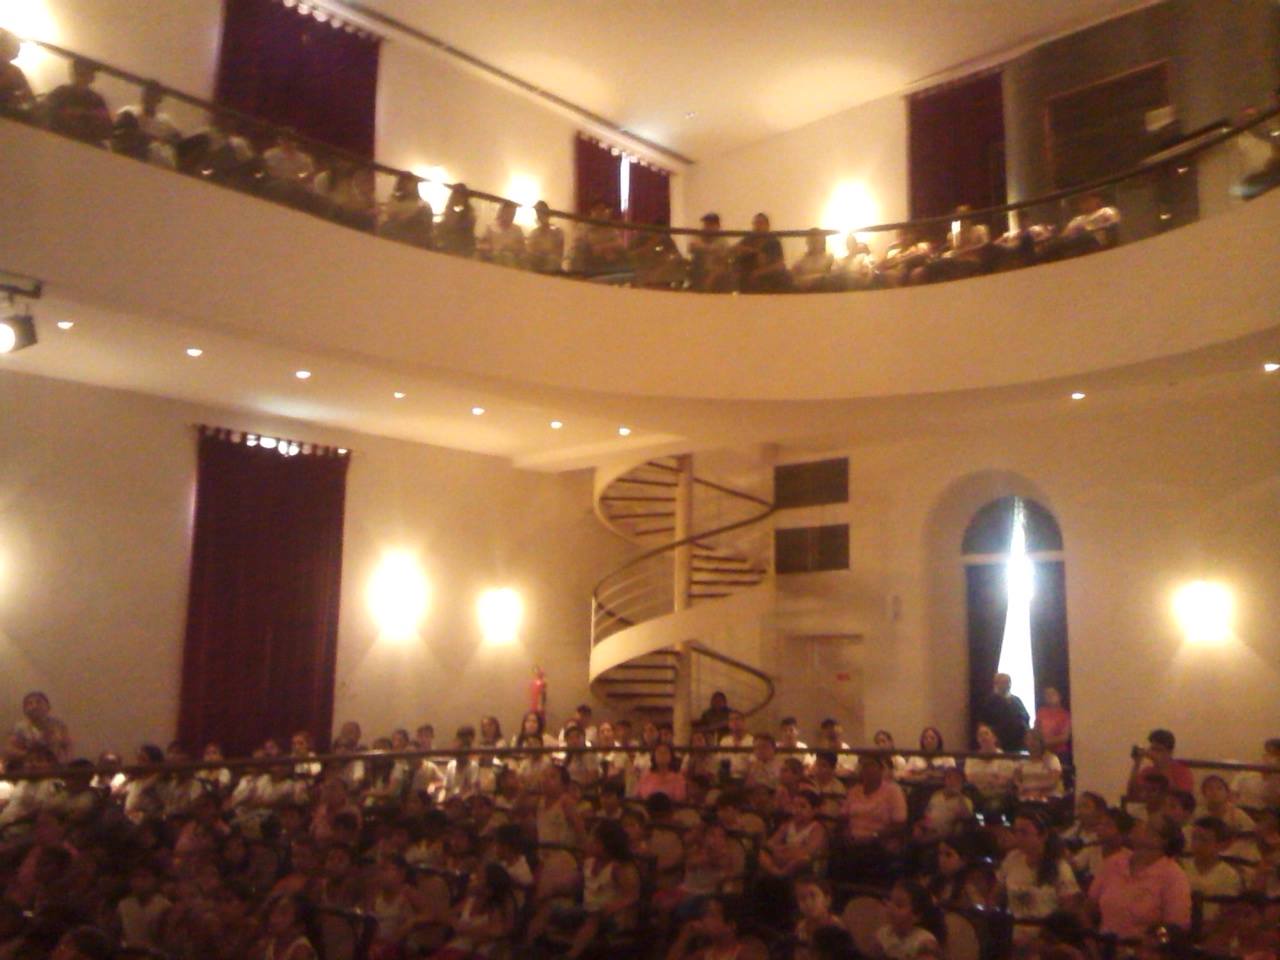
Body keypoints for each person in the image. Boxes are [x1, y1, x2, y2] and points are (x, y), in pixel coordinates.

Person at [1088, 817, 1191, 940]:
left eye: (1148, 827)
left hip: (1143, 948)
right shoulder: (1114, 862)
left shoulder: (1173, 876)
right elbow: (1091, 905)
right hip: (1104, 943)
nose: (1138, 826)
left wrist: (1153, 942)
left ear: (1161, 841)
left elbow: (1175, 927)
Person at [996, 810, 1081, 945]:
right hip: (1015, 934)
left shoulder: (1059, 867)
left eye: (1024, 833)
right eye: (1016, 832)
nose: (1018, 837)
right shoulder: (1012, 859)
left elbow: (1068, 909)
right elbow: (997, 893)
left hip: (1045, 939)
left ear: (1043, 835)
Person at [1183, 816, 1243, 921]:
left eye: (1204, 840)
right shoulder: (1181, 867)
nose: (1197, 844)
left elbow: (1227, 913)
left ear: (1220, 845)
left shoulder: (1229, 875)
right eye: (1194, 838)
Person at [42, 57, 112, 144]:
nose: (87, 75)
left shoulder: (96, 99)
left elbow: (106, 129)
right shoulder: (60, 93)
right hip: (59, 142)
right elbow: (45, 116)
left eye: (90, 72)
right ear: (75, 72)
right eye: (83, 72)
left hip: (86, 146)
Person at [760, 789, 826, 877]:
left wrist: (790, 852)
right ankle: (776, 872)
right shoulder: (787, 825)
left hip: (804, 862)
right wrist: (779, 849)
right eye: (795, 806)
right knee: (761, 854)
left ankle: (782, 874)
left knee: (801, 860)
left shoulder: (816, 828)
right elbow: (771, 843)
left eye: (803, 807)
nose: (797, 810)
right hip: (783, 856)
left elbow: (810, 850)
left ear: (814, 810)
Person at [873, 879, 945, 959]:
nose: (891, 907)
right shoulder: (882, 934)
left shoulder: (924, 941)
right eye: (890, 901)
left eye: (899, 905)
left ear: (917, 916)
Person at [965, 722, 1016, 819]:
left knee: (992, 808)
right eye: (980, 735)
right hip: (977, 795)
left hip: (998, 795)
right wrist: (991, 778)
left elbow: (1005, 780)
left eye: (986, 733)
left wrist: (981, 778)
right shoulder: (971, 758)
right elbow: (970, 779)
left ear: (994, 737)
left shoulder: (1005, 757)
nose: (983, 737)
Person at [733, 212, 792, 292]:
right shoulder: (749, 239)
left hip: (768, 277)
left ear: (767, 226)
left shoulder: (774, 242)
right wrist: (753, 251)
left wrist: (759, 272)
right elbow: (735, 248)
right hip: (747, 277)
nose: (757, 226)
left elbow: (780, 265)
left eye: (760, 223)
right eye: (755, 224)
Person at [8, 691, 72, 763]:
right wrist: (28, 755)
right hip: (30, 766)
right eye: (30, 703)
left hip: (56, 765)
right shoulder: (20, 728)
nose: (35, 706)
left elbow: (67, 745)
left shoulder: (58, 725)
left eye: (39, 702)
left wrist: (67, 762)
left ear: (48, 707)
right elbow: (11, 750)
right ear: (24, 710)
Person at [1128, 728, 1195, 798]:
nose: (1154, 753)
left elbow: (1182, 798)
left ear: (1170, 752)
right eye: (1152, 749)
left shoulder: (1182, 772)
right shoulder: (1147, 771)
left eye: (1159, 750)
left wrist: (1162, 766)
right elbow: (1131, 794)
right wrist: (1137, 763)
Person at [256, 892, 320, 960]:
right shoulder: (270, 943)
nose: (273, 917)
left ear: (299, 926)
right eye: (274, 911)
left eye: (283, 913)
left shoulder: (301, 950)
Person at [979, 672, 1031, 752]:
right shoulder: (990, 702)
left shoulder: (1017, 700)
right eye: (1004, 682)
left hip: (1019, 745)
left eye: (1009, 682)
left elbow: (1026, 718)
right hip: (1001, 745)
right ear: (996, 684)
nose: (1007, 685)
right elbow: (983, 725)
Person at [1015, 728, 1064, 803]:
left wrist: (1033, 788)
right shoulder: (1022, 762)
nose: (1031, 743)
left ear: (1040, 742)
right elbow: (1016, 779)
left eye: (1034, 740)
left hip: (1048, 797)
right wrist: (1020, 787)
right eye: (1029, 740)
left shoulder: (1051, 759)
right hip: (1027, 796)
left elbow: (1053, 781)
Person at [688, 213, 733, 292]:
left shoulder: (722, 239)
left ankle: (706, 290)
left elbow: (723, 254)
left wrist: (703, 248)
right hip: (699, 267)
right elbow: (691, 248)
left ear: (717, 226)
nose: (707, 227)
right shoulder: (698, 236)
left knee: (718, 270)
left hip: (715, 267)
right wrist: (709, 249)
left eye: (711, 224)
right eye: (706, 224)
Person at [478, 199, 526, 267]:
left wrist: (513, 249)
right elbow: (482, 245)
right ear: (502, 212)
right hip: (492, 262)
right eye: (508, 213)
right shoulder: (490, 227)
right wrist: (489, 249)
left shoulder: (517, 230)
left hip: (511, 264)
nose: (511, 216)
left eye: (513, 213)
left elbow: (522, 250)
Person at [0, 29, 35, 117]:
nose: (16, 55)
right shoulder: (13, 72)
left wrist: (19, 99)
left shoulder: (15, 72)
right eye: (13, 49)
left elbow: (30, 99)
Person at [525, 202, 566, 273]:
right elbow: (530, 251)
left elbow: (558, 253)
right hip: (536, 267)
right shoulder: (534, 233)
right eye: (538, 213)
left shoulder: (557, 232)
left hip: (552, 269)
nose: (540, 216)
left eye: (542, 213)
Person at [1035, 686, 1072, 761]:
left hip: (1060, 753)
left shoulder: (1065, 714)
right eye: (1046, 694)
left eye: (1052, 694)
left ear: (1059, 696)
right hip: (1043, 752)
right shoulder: (1041, 712)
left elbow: (1065, 737)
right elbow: (1036, 729)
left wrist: (1046, 742)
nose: (1049, 696)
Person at [718, 710, 754, 779]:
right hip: (727, 778)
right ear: (728, 724)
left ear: (744, 722)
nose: (734, 722)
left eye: (737, 719)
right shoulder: (724, 741)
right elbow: (719, 761)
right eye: (731, 720)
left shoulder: (752, 741)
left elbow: (753, 764)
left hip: (745, 778)